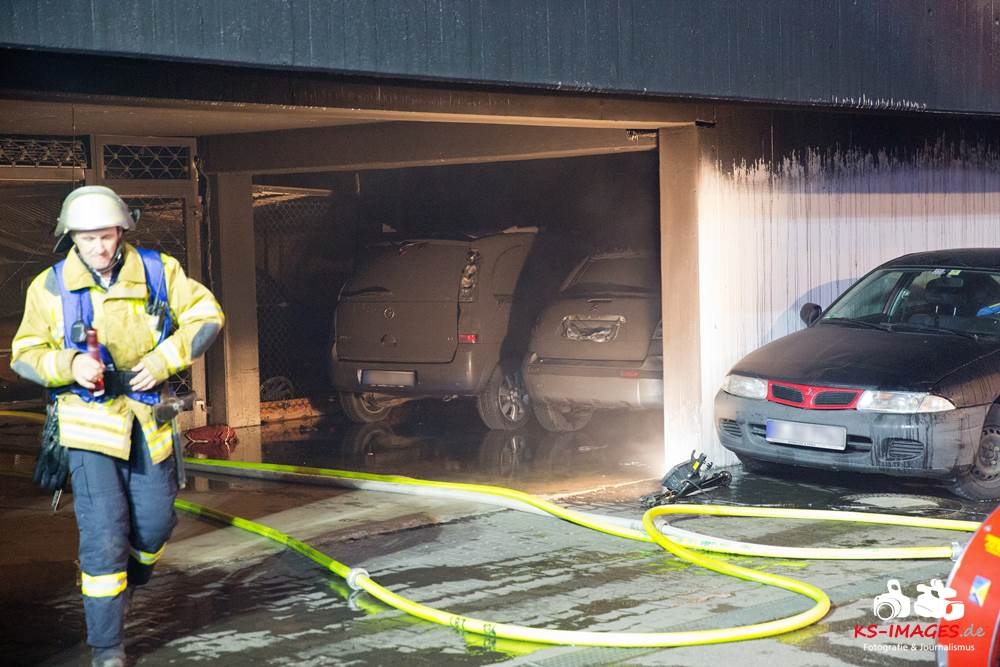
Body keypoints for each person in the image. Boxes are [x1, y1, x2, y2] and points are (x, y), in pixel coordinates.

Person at [10, 185, 225, 667]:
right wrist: (69, 364)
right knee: (105, 534)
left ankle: (124, 585)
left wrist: (165, 358)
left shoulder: (158, 271)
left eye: (106, 236)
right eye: (87, 239)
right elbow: (25, 354)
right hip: (88, 425)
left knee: (155, 525)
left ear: (122, 230)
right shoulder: (49, 287)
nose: (99, 248)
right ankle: (107, 647)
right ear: (70, 237)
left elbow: (207, 316)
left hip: (148, 417)